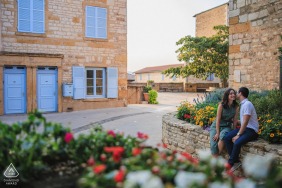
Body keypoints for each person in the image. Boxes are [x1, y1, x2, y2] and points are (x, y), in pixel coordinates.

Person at [224, 87, 259, 171]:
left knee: (237, 142)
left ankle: (230, 164)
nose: (235, 94)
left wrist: (238, 135)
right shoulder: (243, 104)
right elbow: (244, 121)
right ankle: (235, 161)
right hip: (245, 129)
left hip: (252, 131)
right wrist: (234, 120)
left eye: (237, 92)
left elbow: (246, 122)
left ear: (240, 93)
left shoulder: (247, 104)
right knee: (227, 137)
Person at [209, 88, 239, 156]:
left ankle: (215, 159)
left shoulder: (236, 106)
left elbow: (235, 120)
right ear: (227, 95)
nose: (233, 95)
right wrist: (217, 132)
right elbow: (218, 119)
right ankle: (215, 160)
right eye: (231, 94)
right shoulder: (221, 105)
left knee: (222, 137)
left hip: (227, 126)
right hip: (216, 126)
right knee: (213, 144)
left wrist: (234, 131)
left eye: (234, 93)